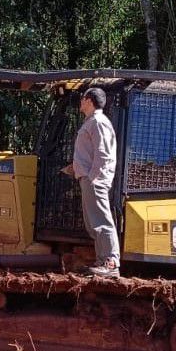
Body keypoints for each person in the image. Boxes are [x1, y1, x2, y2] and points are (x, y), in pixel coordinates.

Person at [66, 87, 119, 277]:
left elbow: (103, 154)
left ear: (89, 100)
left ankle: (110, 262)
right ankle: (102, 261)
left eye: (82, 98)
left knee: (101, 221)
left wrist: (93, 177)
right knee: (93, 223)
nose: (80, 101)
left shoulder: (98, 122)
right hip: (88, 178)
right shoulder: (92, 122)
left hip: (94, 180)